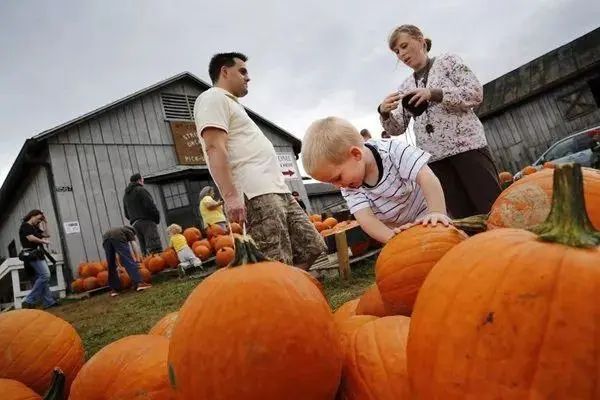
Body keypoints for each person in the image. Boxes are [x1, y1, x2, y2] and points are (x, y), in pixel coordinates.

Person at [194, 52, 326, 269]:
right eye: (242, 71)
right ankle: (277, 299)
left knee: (312, 246)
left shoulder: (232, 104)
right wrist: (231, 197)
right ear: (224, 72)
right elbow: (214, 146)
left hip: (277, 189)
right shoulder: (212, 98)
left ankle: (292, 292)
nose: (248, 77)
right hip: (254, 193)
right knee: (275, 261)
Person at [377, 24, 501, 218]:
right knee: (463, 219)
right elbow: (397, 128)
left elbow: (475, 93)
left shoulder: (448, 61)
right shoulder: (406, 86)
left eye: (404, 46)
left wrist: (433, 93)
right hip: (435, 160)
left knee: (492, 208)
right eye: (397, 51)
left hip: (467, 149)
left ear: (420, 39)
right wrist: (384, 112)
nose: (401, 54)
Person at [302, 117, 450, 244]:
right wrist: (394, 239)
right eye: (331, 182)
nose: (337, 186)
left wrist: (437, 212)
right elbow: (366, 218)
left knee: (441, 249)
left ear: (355, 154)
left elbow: (426, 177)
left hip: (425, 215)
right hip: (397, 230)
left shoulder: (392, 151)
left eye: (338, 177)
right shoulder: (349, 187)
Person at [19, 209, 59, 309]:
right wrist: (44, 242)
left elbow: (47, 234)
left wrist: (46, 223)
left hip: (37, 254)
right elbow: (30, 238)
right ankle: (29, 299)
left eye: (41, 220)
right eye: (39, 218)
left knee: (42, 278)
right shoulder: (25, 226)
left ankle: (49, 302)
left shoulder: (34, 227)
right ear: (32, 216)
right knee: (45, 275)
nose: (39, 221)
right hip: (31, 254)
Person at [102, 226, 151, 297]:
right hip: (117, 236)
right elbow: (134, 245)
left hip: (105, 238)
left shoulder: (119, 229)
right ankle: (139, 283)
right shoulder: (129, 231)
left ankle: (114, 290)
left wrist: (118, 265)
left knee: (111, 264)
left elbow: (114, 255)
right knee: (128, 260)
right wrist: (137, 259)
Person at [123, 173, 162, 255]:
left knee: (144, 248)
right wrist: (156, 217)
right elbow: (150, 205)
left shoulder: (126, 196)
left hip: (135, 224)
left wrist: (134, 219)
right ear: (139, 180)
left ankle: (147, 262)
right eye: (142, 179)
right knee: (154, 246)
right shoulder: (141, 190)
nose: (143, 181)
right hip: (147, 221)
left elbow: (126, 213)